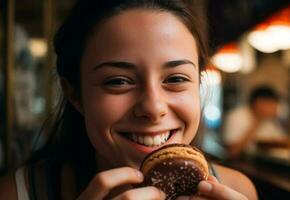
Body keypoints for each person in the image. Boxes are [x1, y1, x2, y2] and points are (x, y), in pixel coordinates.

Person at [0, 1, 257, 199]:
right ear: (74, 94)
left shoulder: (237, 190)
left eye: (176, 79)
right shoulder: (18, 193)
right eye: (118, 81)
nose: (153, 108)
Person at [223, 86, 287, 158]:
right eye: (272, 104)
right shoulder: (236, 117)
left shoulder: (270, 121)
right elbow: (232, 151)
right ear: (259, 103)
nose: (275, 108)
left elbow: (282, 142)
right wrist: (258, 122)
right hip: (241, 163)